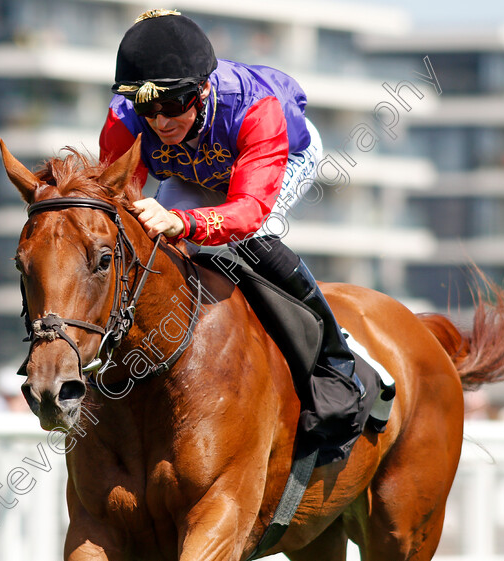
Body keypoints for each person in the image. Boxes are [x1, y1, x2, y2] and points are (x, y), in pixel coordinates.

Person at [99, 9, 365, 464]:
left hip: (278, 159)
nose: (161, 122)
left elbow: (247, 210)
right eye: (149, 108)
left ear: (202, 89)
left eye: (174, 104)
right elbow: (116, 193)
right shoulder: (126, 117)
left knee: (246, 245)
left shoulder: (257, 108)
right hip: (193, 168)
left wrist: (184, 222)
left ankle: (336, 357)